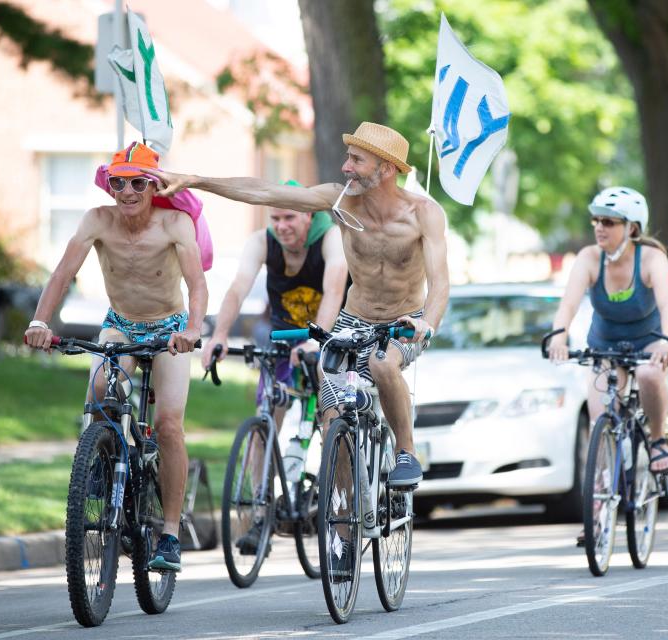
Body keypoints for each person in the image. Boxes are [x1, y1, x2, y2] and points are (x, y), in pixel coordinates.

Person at [147, 121, 449, 490]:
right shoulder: (339, 199)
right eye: (347, 157)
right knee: (331, 404)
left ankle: (406, 453)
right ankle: (343, 510)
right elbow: (265, 191)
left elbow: (440, 283)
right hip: (355, 318)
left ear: (386, 168)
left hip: (406, 320)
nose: (345, 167)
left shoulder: (423, 213)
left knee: (383, 363)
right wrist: (195, 180)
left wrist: (426, 324)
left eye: (356, 160)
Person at [24, 142, 208, 572]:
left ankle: (170, 533)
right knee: (101, 390)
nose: (127, 191)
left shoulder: (175, 224)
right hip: (120, 322)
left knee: (168, 425)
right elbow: (62, 273)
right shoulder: (97, 221)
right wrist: (39, 322)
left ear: (154, 185)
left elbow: (197, 284)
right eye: (117, 182)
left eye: (137, 183)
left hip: (169, 329)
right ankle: (101, 461)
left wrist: (193, 330)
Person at [200, 182, 348, 553]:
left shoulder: (330, 237)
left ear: (308, 215)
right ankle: (258, 519)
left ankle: (343, 519)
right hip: (283, 342)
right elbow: (237, 288)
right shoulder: (262, 241)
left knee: (334, 417)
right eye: (276, 217)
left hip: (327, 339)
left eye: (290, 217)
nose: (282, 226)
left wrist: (317, 340)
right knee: (264, 416)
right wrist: (218, 333)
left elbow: (333, 290)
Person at [548, 187, 668, 477]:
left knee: (648, 374)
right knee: (600, 422)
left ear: (631, 228)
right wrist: (559, 336)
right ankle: (598, 509)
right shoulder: (589, 258)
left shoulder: (651, 259)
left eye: (608, 222)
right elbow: (568, 303)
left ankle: (658, 438)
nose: (599, 227)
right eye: (596, 220)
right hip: (605, 344)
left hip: (648, 343)